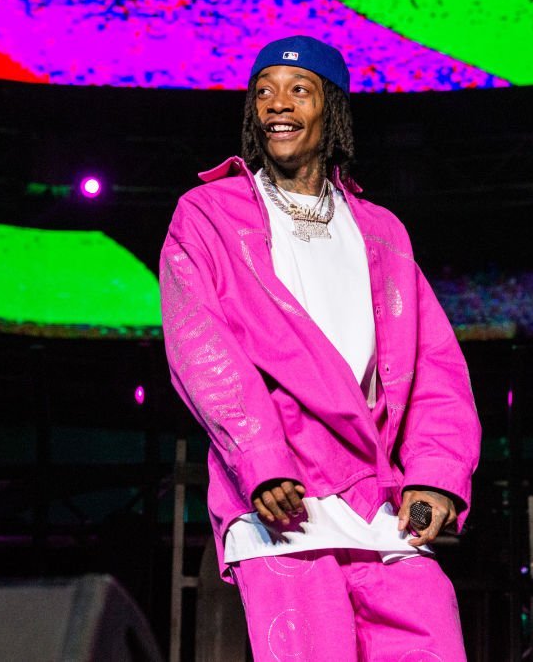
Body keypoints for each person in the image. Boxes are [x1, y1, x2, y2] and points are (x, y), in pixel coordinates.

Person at [159, 35, 481, 660]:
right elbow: (200, 346)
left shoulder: (381, 230)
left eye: (297, 90)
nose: (277, 105)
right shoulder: (208, 216)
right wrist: (261, 459)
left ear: (330, 109)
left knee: (434, 632)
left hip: (380, 501)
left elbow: (435, 367)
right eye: (263, 92)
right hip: (285, 504)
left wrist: (436, 477)